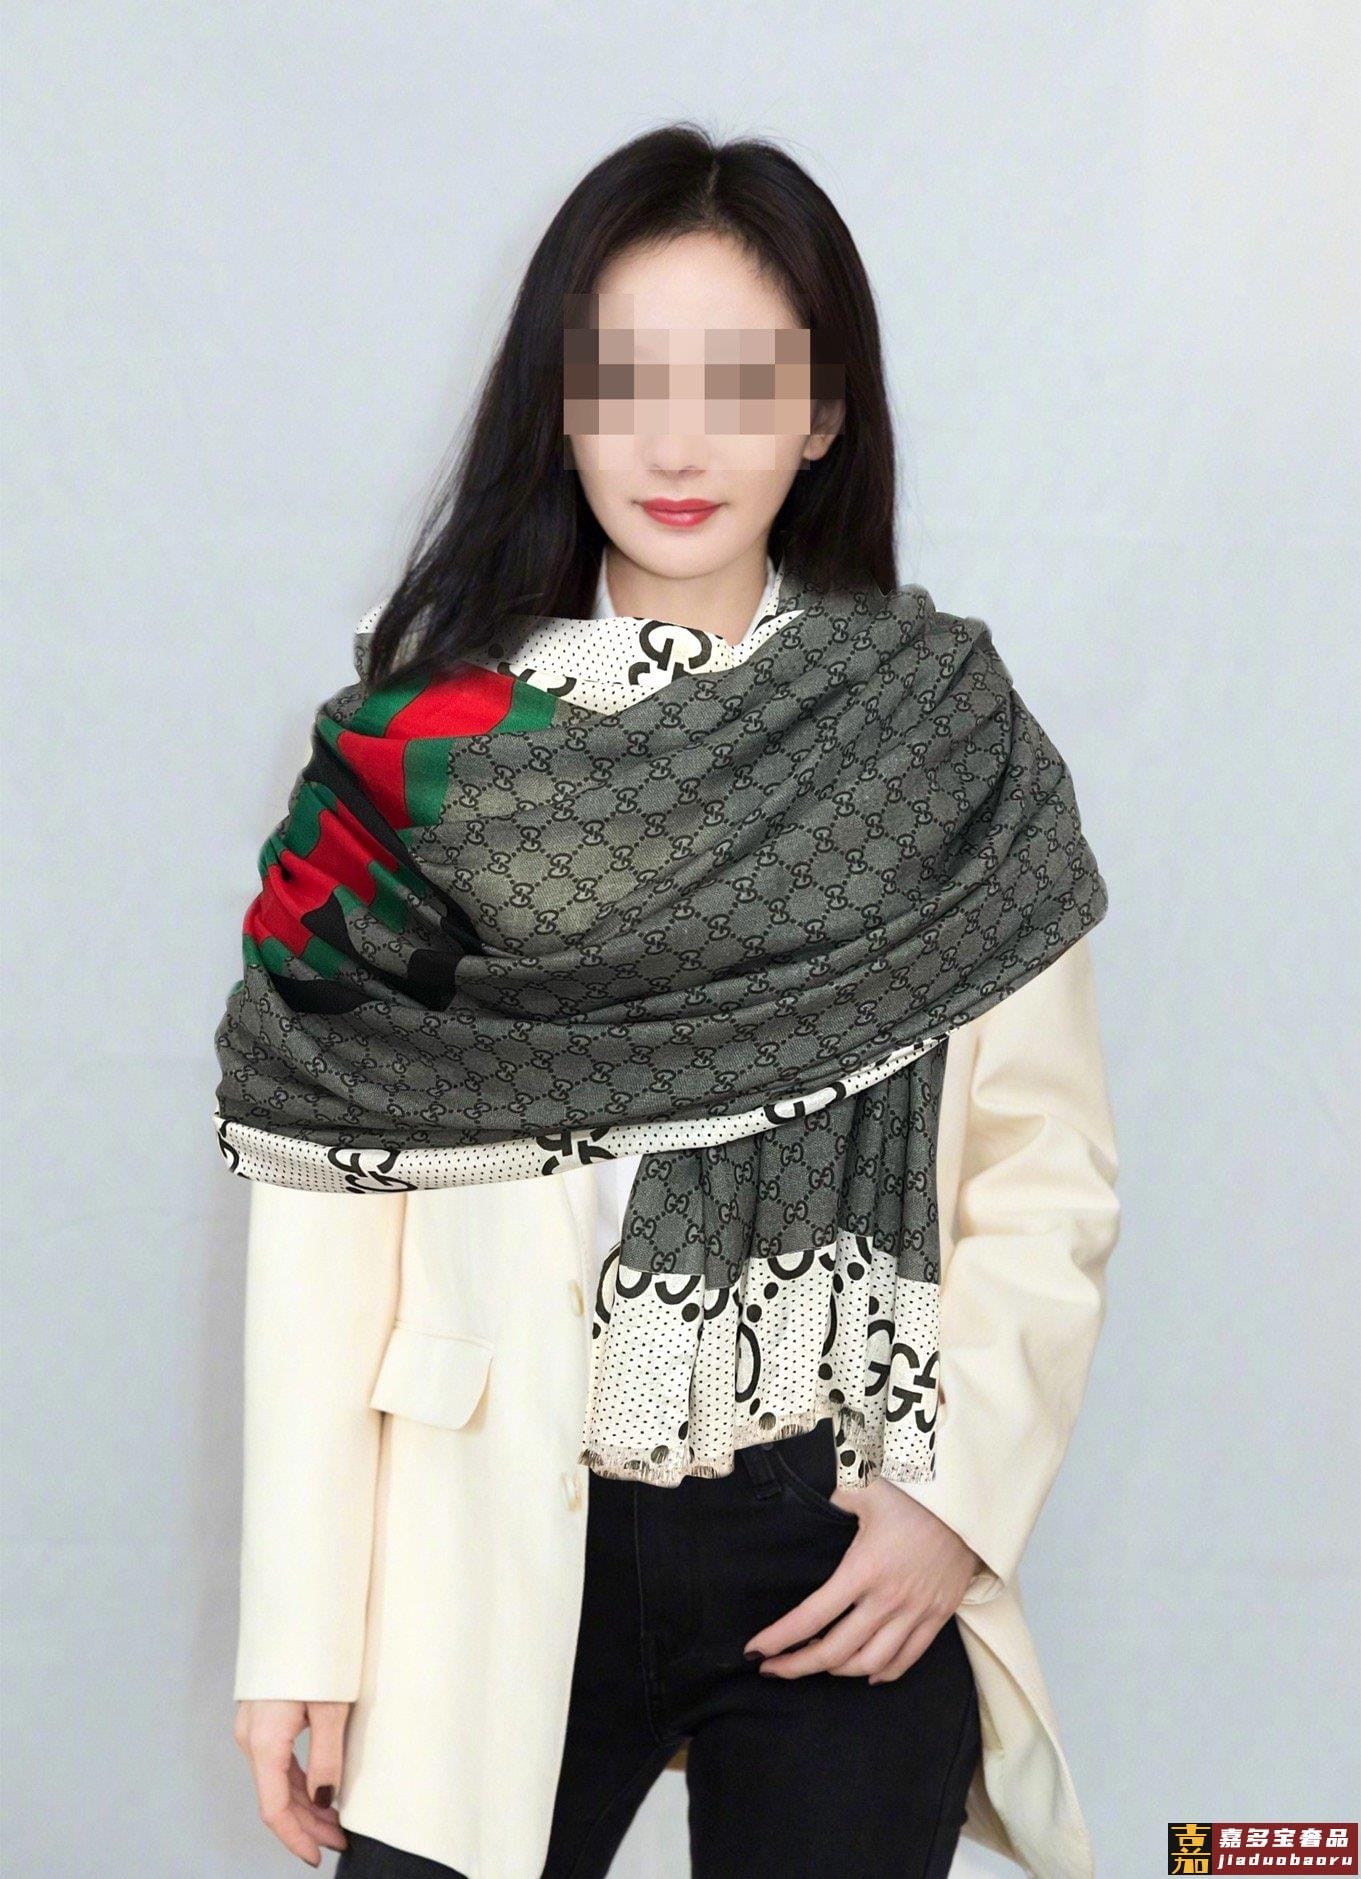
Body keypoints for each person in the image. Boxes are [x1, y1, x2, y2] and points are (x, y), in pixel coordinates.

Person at [219, 122, 1121, 1879]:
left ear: (823, 411)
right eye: (624, 380)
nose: (677, 444)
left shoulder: (935, 739)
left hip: (831, 1535)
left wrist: (948, 1504)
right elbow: (326, 1201)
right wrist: (297, 1632)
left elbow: (1044, 1167)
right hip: (487, 1537)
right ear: (559, 405)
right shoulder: (417, 758)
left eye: (739, 381)